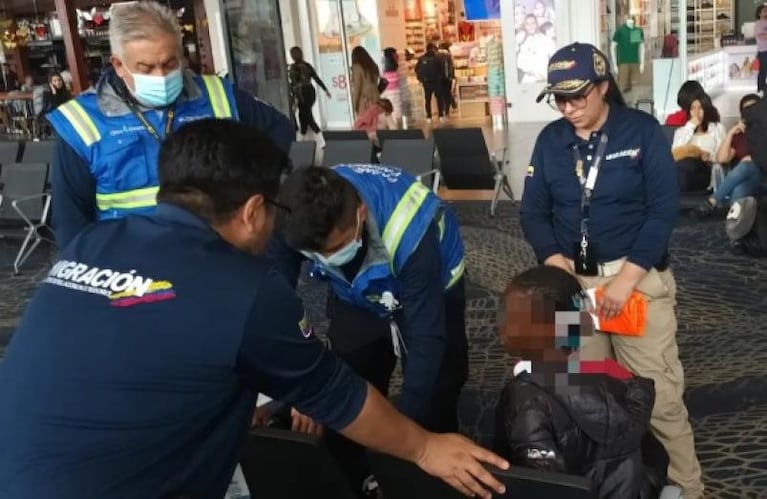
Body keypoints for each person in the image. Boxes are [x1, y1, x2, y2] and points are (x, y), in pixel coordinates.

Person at [0, 119, 509, 499]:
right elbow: (328, 381)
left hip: (18, 471)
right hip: (130, 481)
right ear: (253, 211)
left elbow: (423, 339)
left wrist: (417, 432)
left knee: (436, 369)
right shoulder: (246, 285)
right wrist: (420, 448)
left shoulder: (93, 242)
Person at [521, 42, 703, 498]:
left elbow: (663, 212)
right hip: (573, 287)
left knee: (656, 394)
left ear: (603, 86)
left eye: (578, 96)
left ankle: (687, 485)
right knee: (582, 390)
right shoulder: (549, 142)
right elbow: (532, 212)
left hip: (634, 283)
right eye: (559, 99)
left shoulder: (641, 133)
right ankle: (613, 483)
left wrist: (625, 280)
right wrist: (553, 261)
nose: (568, 108)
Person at [276, 164, 469, 496]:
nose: (329, 258)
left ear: (361, 214)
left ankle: (428, 481)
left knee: (434, 390)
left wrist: (407, 441)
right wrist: (304, 388)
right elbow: (274, 302)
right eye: (318, 253)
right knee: (346, 381)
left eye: (336, 248)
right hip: (355, 296)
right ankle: (359, 476)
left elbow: (427, 338)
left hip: (430, 291)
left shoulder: (407, 229)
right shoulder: (291, 217)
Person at [46, 1, 294, 249]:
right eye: (146, 68)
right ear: (119, 65)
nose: (161, 76)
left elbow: (279, 131)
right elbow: (71, 223)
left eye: (170, 63)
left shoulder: (219, 95)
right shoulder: (81, 122)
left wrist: (249, 191)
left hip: (216, 254)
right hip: (131, 264)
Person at [494, 265, 669, 499]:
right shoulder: (615, 375)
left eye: (511, 317)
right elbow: (657, 457)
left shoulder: (525, 400)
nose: (501, 328)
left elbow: (544, 488)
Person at [697, 93, 763, 216]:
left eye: (754, 109)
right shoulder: (739, 135)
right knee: (738, 191)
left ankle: (712, 200)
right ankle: (734, 223)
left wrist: (754, 158)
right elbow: (721, 159)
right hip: (749, 182)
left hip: (764, 177)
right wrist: (731, 133)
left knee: (746, 165)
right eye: (747, 111)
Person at [671, 93, 725, 192]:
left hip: (705, 170)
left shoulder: (717, 128)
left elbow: (722, 155)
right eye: (692, 109)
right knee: (682, 168)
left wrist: (710, 156)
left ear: (706, 110)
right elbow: (675, 153)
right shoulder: (681, 131)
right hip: (684, 171)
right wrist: (691, 126)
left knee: (685, 169)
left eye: (700, 108)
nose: (696, 113)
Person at [288, 46, 330, 144]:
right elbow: (316, 78)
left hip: (301, 93)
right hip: (311, 91)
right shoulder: (307, 65)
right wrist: (325, 89)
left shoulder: (293, 68)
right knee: (303, 115)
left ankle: (320, 139)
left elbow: (294, 84)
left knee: (306, 115)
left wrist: (293, 97)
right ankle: (303, 138)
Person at [416, 43, 447, 123]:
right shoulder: (437, 58)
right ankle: (441, 116)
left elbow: (416, 69)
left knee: (428, 99)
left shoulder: (421, 58)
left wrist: (421, 79)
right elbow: (442, 69)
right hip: (436, 81)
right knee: (439, 99)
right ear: (433, 49)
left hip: (426, 82)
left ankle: (429, 117)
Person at [351, 46, 381, 117]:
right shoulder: (373, 66)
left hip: (365, 102)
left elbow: (357, 89)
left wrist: (353, 106)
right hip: (376, 98)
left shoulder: (357, 67)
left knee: (365, 125)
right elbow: (376, 82)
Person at [755, 5, 767, 93]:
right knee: (763, 71)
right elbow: (762, 36)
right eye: (764, 11)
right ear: (759, 13)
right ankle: (760, 90)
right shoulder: (758, 24)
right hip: (763, 51)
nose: (766, 12)